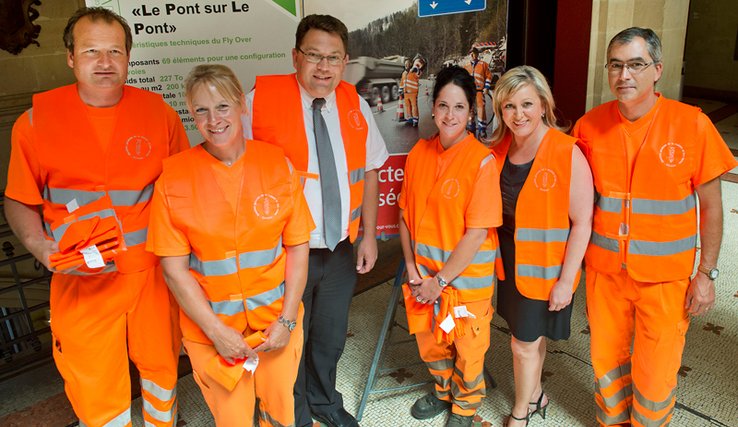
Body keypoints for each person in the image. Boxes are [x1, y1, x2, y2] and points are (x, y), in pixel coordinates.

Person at [4, 7, 186, 426]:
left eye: (114, 51)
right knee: (94, 385)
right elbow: (19, 198)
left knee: (161, 372)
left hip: (152, 278)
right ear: (70, 57)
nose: (104, 63)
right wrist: (37, 245)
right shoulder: (33, 122)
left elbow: (183, 195)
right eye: (91, 51)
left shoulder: (160, 115)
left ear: (128, 57)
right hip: (80, 281)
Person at [572, 27, 738, 426]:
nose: (624, 75)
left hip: (666, 280)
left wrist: (707, 273)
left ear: (657, 69)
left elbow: (712, 210)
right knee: (606, 361)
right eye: (616, 65)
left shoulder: (692, 125)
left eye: (635, 65)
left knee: (657, 369)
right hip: (605, 274)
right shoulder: (588, 127)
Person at [147, 64, 313, 427]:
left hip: (275, 327)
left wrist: (286, 320)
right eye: (201, 110)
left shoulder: (275, 164)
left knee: (281, 413)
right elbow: (174, 271)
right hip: (212, 334)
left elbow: (298, 247)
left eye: (222, 106)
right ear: (191, 114)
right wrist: (216, 332)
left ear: (242, 105)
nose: (213, 119)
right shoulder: (173, 178)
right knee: (233, 419)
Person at [244, 14, 389, 427]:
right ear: (295, 57)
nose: (323, 68)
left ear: (345, 62)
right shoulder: (259, 101)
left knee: (328, 338)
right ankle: (293, 413)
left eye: (333, 58)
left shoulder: (354, 102)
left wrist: (369, 236)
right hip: (286, 252)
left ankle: (324, 402)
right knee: (287, 340)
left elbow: (373, 168)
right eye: (314, 56)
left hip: (341, 247)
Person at [399, 65, 503, 427]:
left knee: (469, 349)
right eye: (443, 106)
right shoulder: (418, 154)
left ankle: (465, 408)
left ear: (471, 112)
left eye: (459, 107)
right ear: (432, 108)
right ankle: (443, 390)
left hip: (463, 283)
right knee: (431, 342)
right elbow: (404, 217)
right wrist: (413, 271)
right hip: (422, 279)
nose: (450, 115)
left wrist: (439, 281)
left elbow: (475, 234)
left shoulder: (481, 162)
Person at [489, 66, 593, 426]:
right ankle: (535, 394)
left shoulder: (567, 152)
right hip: (509, 264)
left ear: (544, 104)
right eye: (509, 107)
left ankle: (522, 413)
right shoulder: (501, 148)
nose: (518, 115)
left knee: (522, 344)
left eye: (527, 104)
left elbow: (582, 222)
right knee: (528, 339)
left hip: (546, 269)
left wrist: (567, 281)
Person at [463, 47, 493, 138]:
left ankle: (482, 129)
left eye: (475, 53)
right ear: (469, 55)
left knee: (481, 109)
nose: (473, 55)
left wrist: (487, 87)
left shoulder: (483, 65)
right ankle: (470, 127)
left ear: (478, 54)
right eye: (471, 54)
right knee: (470, 110)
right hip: (470, 92)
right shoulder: (466, 67)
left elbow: (488, 76)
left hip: (480, 91)